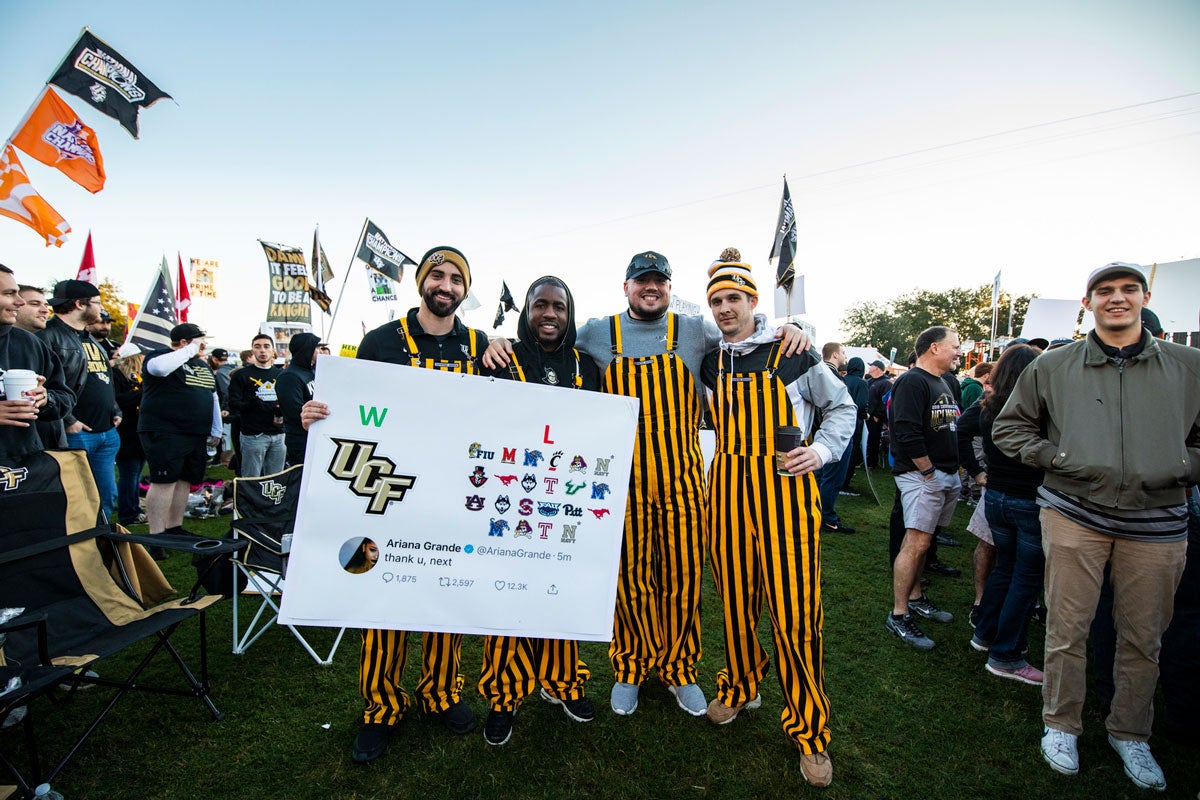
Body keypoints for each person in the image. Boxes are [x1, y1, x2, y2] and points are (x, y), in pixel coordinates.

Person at [481, 248, 808, 719]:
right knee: (629, 579)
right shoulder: (598, 332)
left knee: (682, 577)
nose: (650, 287)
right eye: (641, 280)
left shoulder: (695, 330)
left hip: (683, 480)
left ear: (670, 288)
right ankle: (631, 667)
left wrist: (788, 329)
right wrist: (499, 339)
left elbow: (748, 330)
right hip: (623, 483)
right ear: (627, 286)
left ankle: (679, 668)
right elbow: (546, 344)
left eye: (659, 280)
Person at [993, 262, 1200, 792]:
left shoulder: (1188, 365)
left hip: (1158, 521)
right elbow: (1009, 427)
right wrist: (1058, 457)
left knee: (1143, 636)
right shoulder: (1055, 366)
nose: (1117, 299)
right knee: (1067, 628)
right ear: (1087, 303)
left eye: (1128, 289)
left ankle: (1130, 731)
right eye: (1104, 291)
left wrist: (1178, 466)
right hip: (1074, 512)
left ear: (1145, 296)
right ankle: (1061, 724)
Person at [304, 246, 488, 763]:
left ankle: (440, 692)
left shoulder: (480, 345)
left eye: (456, 278)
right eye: (437, 275)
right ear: (421, 282)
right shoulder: (381, 341)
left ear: (465, 289)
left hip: (455, 490)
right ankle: (381, 705)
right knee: (384, 597)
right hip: (387, 491)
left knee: (444, 594)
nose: (445, 285)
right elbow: (349, 409)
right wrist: (319, 416)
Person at [699, 256, 852, 788]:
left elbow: (843, 408)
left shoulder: (792, 352)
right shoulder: (709, 359)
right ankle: (740, 685)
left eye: (733, 299)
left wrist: (823, 452)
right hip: (727, 490)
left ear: (752, 302)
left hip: (785, 491)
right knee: (736, 600)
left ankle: (810, 732)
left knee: (795, 612)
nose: (724, 309)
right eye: (716, 300)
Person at [475, 276, 602, 746]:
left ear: (570, 315)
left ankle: (564, 683)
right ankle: (503, 697)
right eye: (540, 305)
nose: (550, 314)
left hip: (564, 500)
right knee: (505, 600)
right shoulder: (499, 359)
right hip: (507, 499)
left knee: (557, 596)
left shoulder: (586, 365)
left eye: (560, 308)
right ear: (526, 311)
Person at [958, 345, 1044, 684]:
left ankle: (985, 632)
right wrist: (976, 470)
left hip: (997, 499)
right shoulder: (1035, 407)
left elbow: (962, 432)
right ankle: (1006, 654)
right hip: (1027, 501)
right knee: (1025, 579)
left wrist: (977, 471)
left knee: (1007, 569)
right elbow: (962, 433)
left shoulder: (989, 405)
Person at [885, 326, 963, 650]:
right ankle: (899, 614)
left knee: (924, 541)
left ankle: (915, 597)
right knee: (915, 542)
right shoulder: (912, 380)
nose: (959, 351)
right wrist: (928, 471)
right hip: (922, 475)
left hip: (943, 474)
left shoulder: (941, 381)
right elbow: (905, 430)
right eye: (955, 346)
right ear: (934, 347)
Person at [38, 280, 122, 520]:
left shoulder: (91, 339)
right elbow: (45, 385)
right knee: (75, 499)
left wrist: (115, 409)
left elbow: (103, 378)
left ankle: (101, 546)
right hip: (75, 432)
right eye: (97, 303)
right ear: (79, 304)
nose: (101, 308)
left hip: (105, 431)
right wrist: (68, 419)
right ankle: (80, 550)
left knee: (105, 497)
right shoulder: (48, 335)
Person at [138, 322, 221, 558]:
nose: (205, 345)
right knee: (164, 481)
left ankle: (174, 528)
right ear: (185, 342)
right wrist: (188, 350)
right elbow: (159, 370)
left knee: (186, 479)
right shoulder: (161, 356)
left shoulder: (201, 365)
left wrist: (216, 428)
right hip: (166, 430)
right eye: (200, 340)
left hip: (196, 432)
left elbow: (211, 395)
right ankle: (156, 536)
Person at [0, 265, 72, 460]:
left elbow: (65, 397)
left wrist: (46, 398)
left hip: (24, 467)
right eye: (9, 293)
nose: (19, 301)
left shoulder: (29, 343)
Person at [227, 334, 285, 477]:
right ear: (252, 350)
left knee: (275, 479)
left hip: (278, 434)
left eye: (266, 346)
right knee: (251, 479)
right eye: (257, 347)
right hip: (254, 435)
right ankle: (251, 501)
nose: (262, 351)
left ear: (273, 350)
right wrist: (250, 404)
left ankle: (271, 501)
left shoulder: (282, 374)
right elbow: (233, 403)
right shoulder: (241, 375)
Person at [815, 342, 857, 533]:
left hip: (820, 436)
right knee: (831, 479)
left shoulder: (822, 371)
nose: (844, 357)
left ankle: (819, 514)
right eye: (843, 353)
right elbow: (840, 408)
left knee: (821, 478)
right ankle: (827, 517)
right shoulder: (827, 374)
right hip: (829, 436)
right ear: (835, 355)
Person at [276, 332, 327, 467]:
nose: (320, 351)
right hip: (300, 440)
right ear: (307, 349)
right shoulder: (289, 376)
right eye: (316, 347)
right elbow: (294, 412)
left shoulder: (309, 372)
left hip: (314, 436)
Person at [112, 343, 147, 525]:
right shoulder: (117, 375)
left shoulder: (137, 377)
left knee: (136, 473)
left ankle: (134, 508)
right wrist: (143, 393)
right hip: (126, 431)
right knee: (129, 473)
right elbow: (118, 400)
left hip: (138, 431)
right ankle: (127, 513)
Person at [837, 356, 869, 497]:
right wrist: (864, 415)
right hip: (853, 423)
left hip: (838, 421)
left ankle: (837, 482)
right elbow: (861, 404)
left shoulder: (842, 379)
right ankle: (844, 484)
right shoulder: (861, 383)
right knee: (851, 453)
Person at [865, 359, 891, 470]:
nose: (869, 368)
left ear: (877, 368)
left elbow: (885, 401)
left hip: (875, 418)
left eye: (871, 366)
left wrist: (878, 415)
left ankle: (872, 462)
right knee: (866, 439)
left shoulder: (886, 383)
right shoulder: (869, 381)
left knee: (873, 440)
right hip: (866, 415)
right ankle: (864, 459)